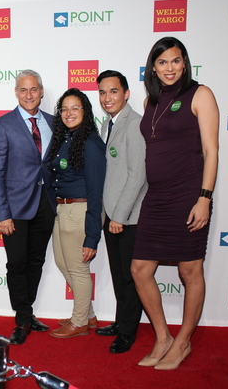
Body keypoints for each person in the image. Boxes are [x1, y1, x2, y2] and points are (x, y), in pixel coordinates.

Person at [131, 37, 219, 370]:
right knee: (140, 269)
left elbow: (212, 151)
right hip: (157, 198)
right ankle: (163, 337)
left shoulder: (201, 94)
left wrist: (204, 198)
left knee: (189, 270)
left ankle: (182, 343)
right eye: (163, 62)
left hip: (188, 195)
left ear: (185, 63)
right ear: (153, 67)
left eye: (176, 61)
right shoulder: (149, 101)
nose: (170, 68)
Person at [0, 70, 55, 345]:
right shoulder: (3, 124)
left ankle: (27, 313)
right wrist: (2, 213)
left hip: (47, 205)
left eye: (34, 89)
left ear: (41, 91)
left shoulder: (54, 122)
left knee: (36, 261)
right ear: (16, 92)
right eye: (23, 90)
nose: (29, 95)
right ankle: (22, 318)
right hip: (14, 208)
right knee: (17, 263)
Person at [94, 70, 147, 352]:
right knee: (117, 273)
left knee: (129, 276)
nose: (107, 97)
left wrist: (120, 216)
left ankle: (128, 332)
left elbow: (138, 175)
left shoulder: (136, 125)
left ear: (126, 93)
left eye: (113, 91)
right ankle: (120, 320)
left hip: (127, 217)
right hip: (111, 215)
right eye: (102, 92)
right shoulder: (107, 125)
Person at [48, 88, 106, 339]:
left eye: (75, 108)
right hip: (62, 210)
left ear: (86, 111)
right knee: (64, 264)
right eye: (64, 109)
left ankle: (80, 321)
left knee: (78, 269)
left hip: (80, 210)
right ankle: (89, 315)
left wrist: (92, 236)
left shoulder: (91, 143)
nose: (69, 113)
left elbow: (97, 191)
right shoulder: (65, 138)